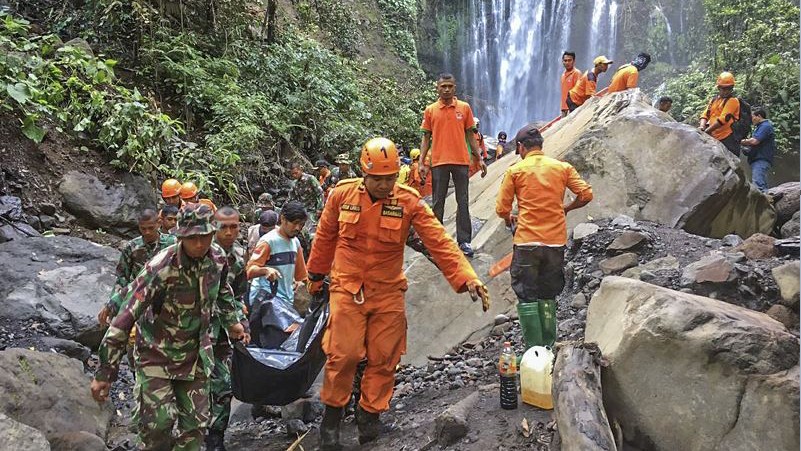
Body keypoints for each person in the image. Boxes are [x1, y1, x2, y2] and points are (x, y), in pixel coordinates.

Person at [307, 137, 490, 450]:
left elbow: (439, 240)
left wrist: (467, 277)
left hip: (388, 291)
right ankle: (331, 421)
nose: (384, 185)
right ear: (364, 174)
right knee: (344, 354)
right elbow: (325, 237)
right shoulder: (341, 195)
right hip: (348, 289)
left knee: (385, 357)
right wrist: (315, 276)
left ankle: (369, 416)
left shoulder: (408, 201)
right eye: (377, 179)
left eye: (390, 178)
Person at [90, 204, 249, 451]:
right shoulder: (161, 267)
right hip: (157, 354)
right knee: (157, 425)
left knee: (196, 425)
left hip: (196, 354)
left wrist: (232, 323)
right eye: (192, 238)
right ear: (181, 236)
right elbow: (125, 318)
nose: (199, 244)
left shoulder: (217, 258)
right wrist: (105, 373)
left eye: (204, 236)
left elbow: (222, 292)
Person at [495, 124, 593, 350]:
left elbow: (501, 209)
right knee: (548, 294)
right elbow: (586, 194)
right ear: (541, 145)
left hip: (526, 242)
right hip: (555, 243)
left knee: (526, 294)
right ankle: (548, 348)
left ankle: (533, 351)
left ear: (521, 147)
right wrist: (566, 208)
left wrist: (509, 218)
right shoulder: (562, 167)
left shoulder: (515, 171)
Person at [419, 73, 487, 257]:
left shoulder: (464, 108)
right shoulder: (431, 110)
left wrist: (480, 158)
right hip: (439, 162)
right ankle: (436, 241)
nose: (447, 89)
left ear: (455, 88)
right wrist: (422, 162)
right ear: (437, 88)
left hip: (461, 161)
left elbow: (471, 135)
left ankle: (464, 241)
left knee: (462, 201)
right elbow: (426, 138)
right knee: (438, 202)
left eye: (450, 86)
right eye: (443, 86)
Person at [206, 207, 249, 451]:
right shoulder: (201, 252)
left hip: (223, 336)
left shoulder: (239, 256)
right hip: (193, 334)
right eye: (223, 227)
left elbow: (239, 295)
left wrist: (242, 324)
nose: (229, 232)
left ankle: (215, 438)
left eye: (234, 227)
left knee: (223, 386)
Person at [97, 208, 176, 329]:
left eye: (151, 228)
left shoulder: (172, 243)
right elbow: (122, 278)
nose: (147, 232)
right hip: (138, 295)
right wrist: (113, 303)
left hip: (165, 296)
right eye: (143, 229)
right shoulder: (132, 247)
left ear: (159, 223)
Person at [246, 201, 309, 348]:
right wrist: (265, 270)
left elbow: (302, 276)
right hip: (266, 304)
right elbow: (249, 271)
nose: (298, 228)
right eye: (295, 223)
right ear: (283, 219)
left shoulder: (296, 243)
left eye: (301, 224)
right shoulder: (268, 241)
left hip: (285, 304)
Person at [700, 72, 741, 156]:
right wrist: (702, 127)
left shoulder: (733, 101)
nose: (727, 91)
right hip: (714, 137)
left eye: (729, 88)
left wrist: (706, 131)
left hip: (727, 138)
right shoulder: (714, 100)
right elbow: (705, 115)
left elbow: (723, 119)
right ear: (719, 88)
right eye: (724, 89)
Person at [740, 106, 775, 192]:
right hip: (759, 159)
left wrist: (740, 141)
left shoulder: (765, 126)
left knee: (758, 187)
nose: (751, 120)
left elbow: (754, 141)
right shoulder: (761, 127)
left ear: (759, 116)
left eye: (752, 117)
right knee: (762, 185)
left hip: (761, 159)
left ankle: (762, 200)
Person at [560, 51, 581, 117]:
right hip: (564, 108)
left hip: (572, 108)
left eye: (569, 60)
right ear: (562, 61)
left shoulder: (576, 73)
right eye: (565, 60)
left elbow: (578, 91)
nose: (567, 62)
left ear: (573, 61)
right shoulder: (563, 75)